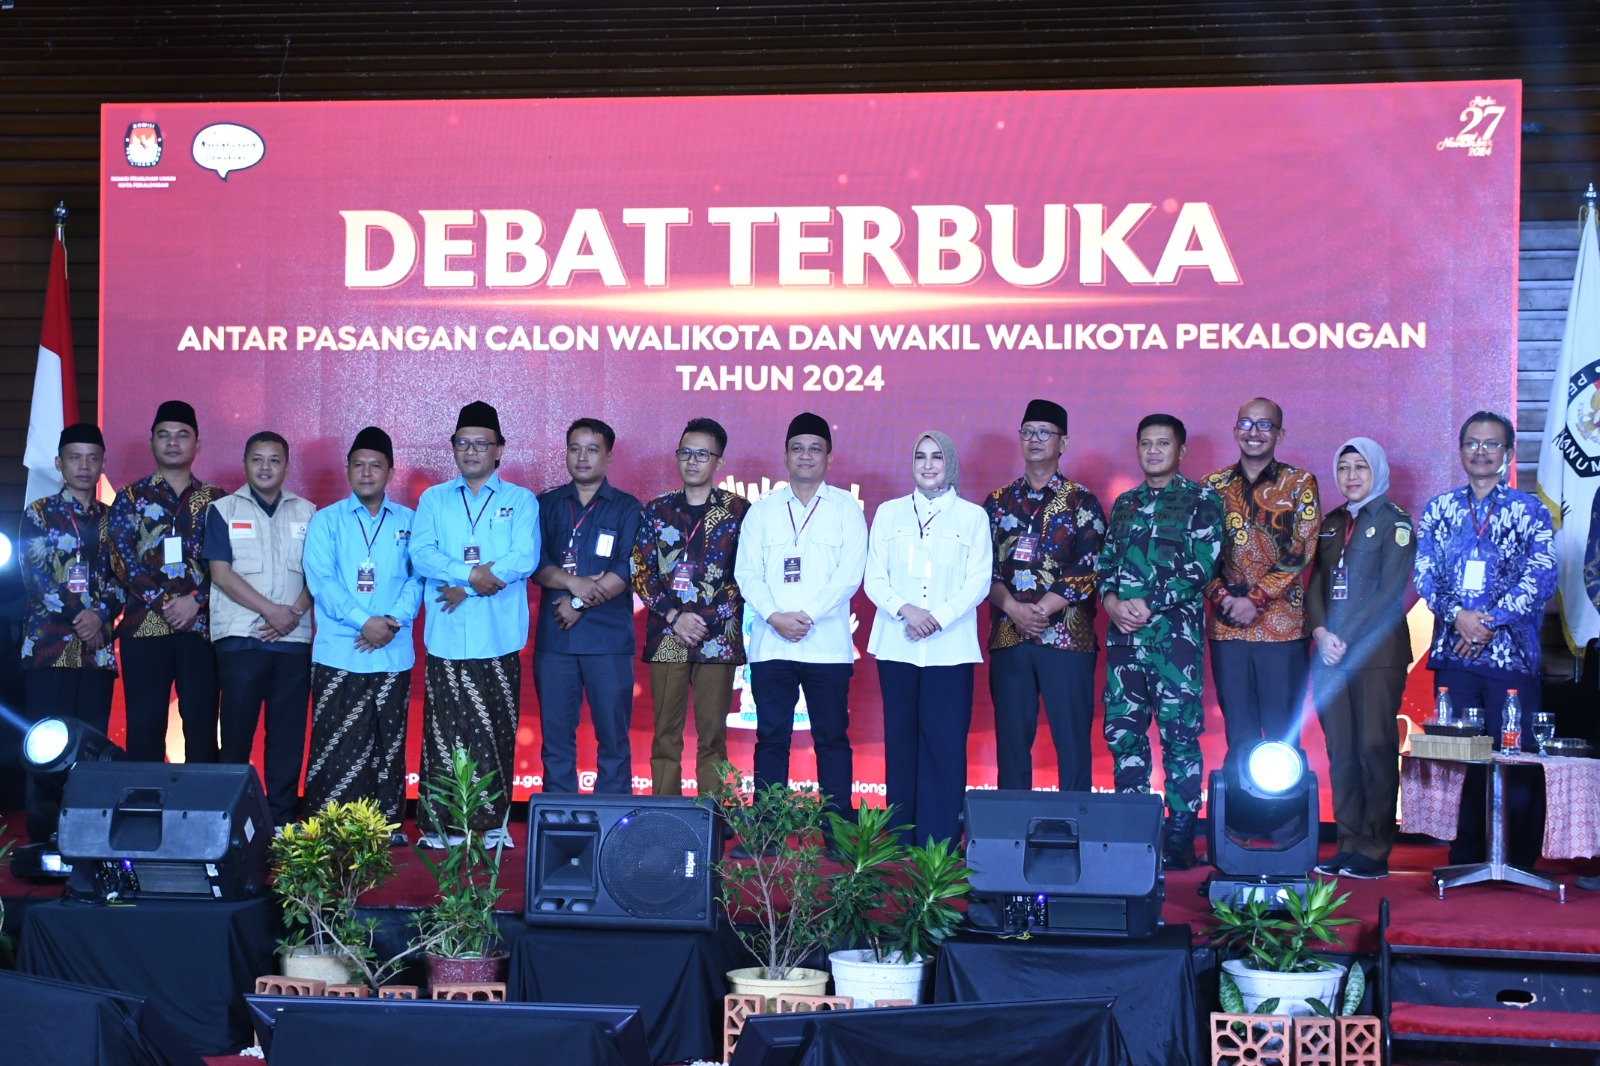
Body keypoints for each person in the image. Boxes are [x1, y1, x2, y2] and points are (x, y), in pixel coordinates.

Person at [1414, 411, 1555, 869]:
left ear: (1508, 454)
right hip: (1453, 654)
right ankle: (1466, 852)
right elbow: (1425, 574)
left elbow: (1541, 576)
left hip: (1510, 656)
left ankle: (1517, 857)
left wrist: (1487, 622)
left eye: (1491, 444)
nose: (1480, 451)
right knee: (1461, 758)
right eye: (1472, 443)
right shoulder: (1440, 509)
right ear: (1460, 451)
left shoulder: (1529, 510)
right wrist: (1459, 618)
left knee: (1514, 756)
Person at [1096, 414, 1223, 869]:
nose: (1153, 451)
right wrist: (1111, 601)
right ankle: (1133, 828)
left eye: (1162, 443)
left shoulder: (1202, 501)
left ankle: (1180, 830)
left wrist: (1148, 603)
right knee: (1124, 733)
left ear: (1181, 450)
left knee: (1180, 736)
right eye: (1145, 443)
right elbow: (1106, 562)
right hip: (1124, 642)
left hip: (1175, 644)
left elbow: (1202, 566)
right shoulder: (1126, 504)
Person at [411, 401, 540, 847]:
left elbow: (525, 557)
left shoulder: (519, 501)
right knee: (442, 734)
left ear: (499, 449)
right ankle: (440, 826)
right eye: (463, 443)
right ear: (453, 448)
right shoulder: (433, 499)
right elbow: (421, 554)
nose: (471, 451)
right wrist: (471, 574)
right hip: (445, 639)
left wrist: (471, 582)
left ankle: (490, 827)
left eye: (481, 444)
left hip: (498, 637)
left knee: (494, 731)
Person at [734, 412, 867, 819]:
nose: (805, 456)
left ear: (829, 457)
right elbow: (746, 573)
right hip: (772, 644)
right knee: (771, 738)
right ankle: (767, 832)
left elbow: (850, 575)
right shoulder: (762, 511)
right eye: (797, 448)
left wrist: (805, 615)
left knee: (832, 739)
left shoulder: (846, 509)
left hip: (826, 646)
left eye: (815, 449)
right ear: (786, 456)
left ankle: (837, 835)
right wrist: (774, 617)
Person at [863, 430, 989, 846]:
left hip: (948, 648)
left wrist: (937, 618)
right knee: (900, 741)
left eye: (937, 457)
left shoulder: (972, 517)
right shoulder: (888, 513)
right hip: (897, 645)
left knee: (944, 744)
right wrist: (906, 610)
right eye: (921, 456)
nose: (929, 464)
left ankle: (940, 843)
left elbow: (978, 582)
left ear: (949, 464)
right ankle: (900, 839)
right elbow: (874, 578)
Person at [301, 427, 424, 840]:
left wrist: (390, 621)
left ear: (390, 471)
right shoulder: (326, 521)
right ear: (347, 469)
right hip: (339, 652)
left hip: (392, 651)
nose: (367, 472)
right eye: (359, 465)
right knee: (336, 744)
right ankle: (329, 827)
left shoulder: (411, 522)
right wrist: (364, 622)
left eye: (376, 465)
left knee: (387, 743)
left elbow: (419, 578)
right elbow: (322, 582)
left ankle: (387, 825)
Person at [1306, 438, 1415, 879]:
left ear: (1378, 472)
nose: (1352, 477)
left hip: (1375, 654)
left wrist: (1342, 636)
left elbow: (1391, 592)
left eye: (1361, 468)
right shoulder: (1331, 524)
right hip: (1330, 653)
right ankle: (1348, 841)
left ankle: (1374, 847)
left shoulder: (1395, 523)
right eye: (1345, 468)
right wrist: (1320, 632)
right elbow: (1313, 584)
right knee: (1342, 749)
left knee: (1374, 746)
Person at [983, 398, 1106, 791]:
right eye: (1027, 432)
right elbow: (982, 569)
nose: (1034, 440)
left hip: (1067, 640)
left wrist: (1038, 610)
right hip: (1009, 636)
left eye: (1044, 433)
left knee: (1072, 745)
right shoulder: (997, 503)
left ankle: (1077, 833)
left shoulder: (1082, 501)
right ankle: (1012, 836)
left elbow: (1087, 567)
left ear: (1062, 443)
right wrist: (1015, 610)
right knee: (1012, 745)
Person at [202, 431, 316, 828]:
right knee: (235, 735)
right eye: (257, 459)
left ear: (286, 465)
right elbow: (220, 573)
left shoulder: (309, 512)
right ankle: (229, 821)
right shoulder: (223, 510)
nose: (265, 467)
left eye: (274, 460)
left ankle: (282, 820)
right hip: (240, 640)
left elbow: (318, 574)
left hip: (292, 642)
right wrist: (271, 611)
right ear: (245, 463)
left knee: (286, 738)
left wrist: (294, 612)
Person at [631, 418, 749, 796]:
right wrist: (674, 617)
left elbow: (747, 575)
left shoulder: (739, 512)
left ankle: (711, 812)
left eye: (702, 454)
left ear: (719, 461)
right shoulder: (658, 509)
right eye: (686, 452)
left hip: (717, 639)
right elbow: (639, 568)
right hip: (668, 635)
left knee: (713, 735)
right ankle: (665, 811)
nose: (692, 461)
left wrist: (704, 621)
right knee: (665, 733)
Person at [1203, 398, 1321, 766]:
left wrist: (1254, 598)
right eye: (1247, 423)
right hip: (1229, 631)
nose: (1254, 432)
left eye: (1264, 425)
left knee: (1283, 732)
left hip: (1282, 630)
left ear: (1280, 433)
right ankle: (1239, 821)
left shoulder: (1299, 483)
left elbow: (1301, 549)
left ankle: (1287, 824)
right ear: (1236, 430)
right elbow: (1200, 555)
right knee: (1238, 733)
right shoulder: (1212, 485)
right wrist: (1224, 599)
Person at [534, 418, 644, 796]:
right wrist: (572, 582)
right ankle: (558, 822)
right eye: (574, 448)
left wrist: (578, 600)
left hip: (607, 643)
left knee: (614, 741)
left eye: (592, 449)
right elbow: (537, 563)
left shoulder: (628, 508)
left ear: (608, 457)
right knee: (556, 741)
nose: (582, 457)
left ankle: (613, 829)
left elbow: (626, 569)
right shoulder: (546, 503)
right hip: (556, 643)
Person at [108, 400, 222, 762]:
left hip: (201, 630)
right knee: (144, 728)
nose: (173, 442)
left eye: (182, 435)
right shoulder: (129, 498)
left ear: (197, 445)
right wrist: (166, 603)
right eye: (164, 435)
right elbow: (121, 559)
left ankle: (203, 815)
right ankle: (144, 811)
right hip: (144, 630)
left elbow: (229, 564)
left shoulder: (217, 501)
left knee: (202, 727)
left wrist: (196, 601)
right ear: (151, 444)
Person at [19, 423, 121, 733]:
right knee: (46, 750)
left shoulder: (113, 517)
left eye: (93, 458)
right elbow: (37, 578)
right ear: (59, 463)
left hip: (96, 654)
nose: (84, 466)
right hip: (49, 648)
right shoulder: (39, 512)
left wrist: (100, 614)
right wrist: (82, 617)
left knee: (90, 749)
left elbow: (124, 576)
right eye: (75, 458)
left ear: (103, 464)